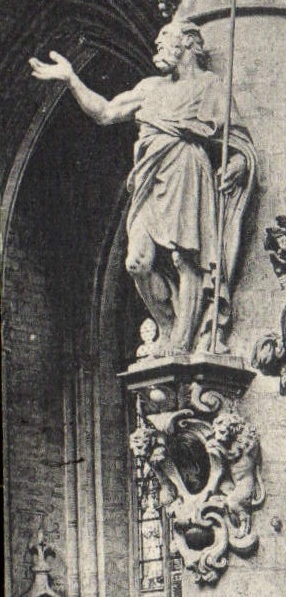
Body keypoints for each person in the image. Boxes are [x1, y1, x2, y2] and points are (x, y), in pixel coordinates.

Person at [29, 21, 256, 352]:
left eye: (166, 37)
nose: (157, 41)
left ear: (189, 44)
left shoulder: (210, 87)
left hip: (186, 168)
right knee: (137, 261)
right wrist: (71, 80)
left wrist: (237, 164)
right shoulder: (150, 87)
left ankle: (182, 341)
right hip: (150, 176)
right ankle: (167, 326)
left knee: (185, 257)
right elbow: (106, 112)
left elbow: (237, 141)